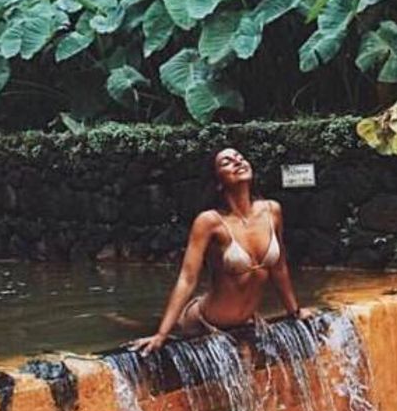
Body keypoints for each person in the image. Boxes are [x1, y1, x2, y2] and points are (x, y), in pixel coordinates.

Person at [128, 147, 311, 355]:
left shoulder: (272, 211)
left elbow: (279, 268)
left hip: (245, 320)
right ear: (217, 182)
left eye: (240, 157)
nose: (237, 161)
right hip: (203, 323)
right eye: (226, 162)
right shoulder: (210, 222)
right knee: (134, 327)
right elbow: (187, 279)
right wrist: (161, 334)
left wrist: (294, 312)